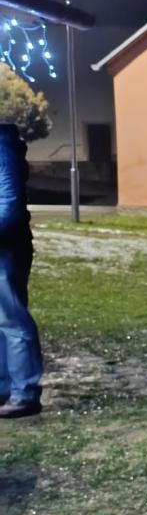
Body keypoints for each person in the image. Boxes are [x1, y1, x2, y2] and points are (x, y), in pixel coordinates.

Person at [0, 124, 43, 420]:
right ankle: (6, 388)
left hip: (6, 249)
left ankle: (25, 392)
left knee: (12, 319)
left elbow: (9, 206)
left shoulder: (2, 148)